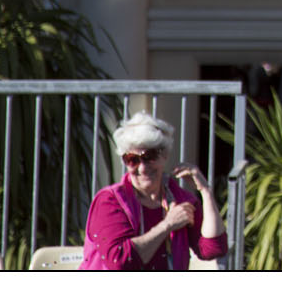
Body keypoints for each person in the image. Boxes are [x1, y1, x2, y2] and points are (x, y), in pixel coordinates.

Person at [80, 111, 228, 270]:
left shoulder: (179, 200)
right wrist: (168, 224)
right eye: (132, 159)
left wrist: (205, 191)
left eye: (149, 156)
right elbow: (120, 261)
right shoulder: (110, 201)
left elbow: (213, 249)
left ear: (164, 155)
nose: (142, 168)